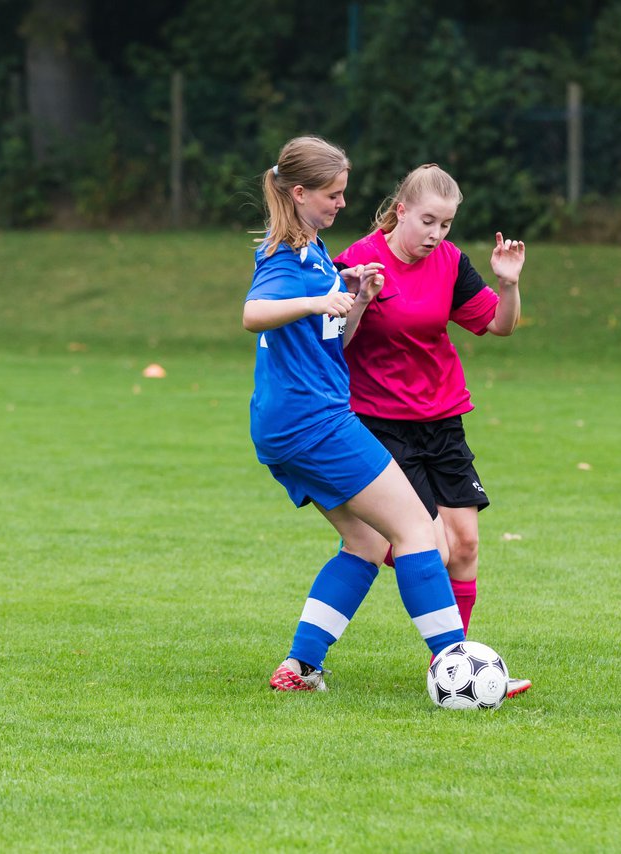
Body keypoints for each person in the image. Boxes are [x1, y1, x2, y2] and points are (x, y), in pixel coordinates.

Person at [244, 137, 465, 691]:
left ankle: (299, 667)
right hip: (314, 422)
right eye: (333, 194)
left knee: (367, 543)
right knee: (416, 529)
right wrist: (319, 300)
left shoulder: (313, 250)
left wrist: (354, 296)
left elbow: (330, 345)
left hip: (283, 426)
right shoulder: (286, 253)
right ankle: (457, 668)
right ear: (300, 192)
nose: (342, 203)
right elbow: (253, 314)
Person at [334, 164, 531, 697]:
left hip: (443, 422)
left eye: (446, 224)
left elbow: (499, 326)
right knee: (431, 547)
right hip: (380, 426)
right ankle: (449, 659)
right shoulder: (357, 260)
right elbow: (332, 348)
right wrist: (362, 302)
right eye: (428, 221)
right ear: (401, 211)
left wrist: (508, 285)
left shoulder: (450, 263)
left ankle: (455, 666)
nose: (436, 235)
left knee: (464, 545)